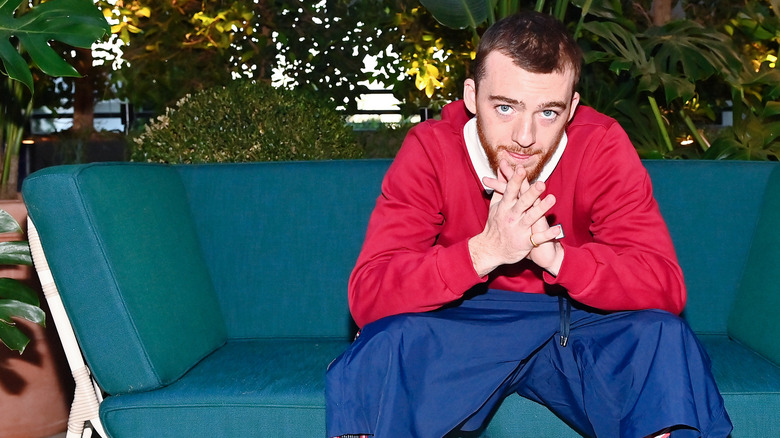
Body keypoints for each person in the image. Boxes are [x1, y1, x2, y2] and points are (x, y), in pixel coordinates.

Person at [326, 11, 732, 438]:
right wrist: (485, 252)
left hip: (574, 320)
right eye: (504, 107)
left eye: (548, 113)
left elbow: (664, 285)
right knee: (384, 345)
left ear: (572, 107)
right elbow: (368, 295)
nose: (524, 136)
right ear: (471, 95)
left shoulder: (600, 143)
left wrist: (560, 260)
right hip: (465, 319)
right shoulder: (431, 148)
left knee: (664, 336)